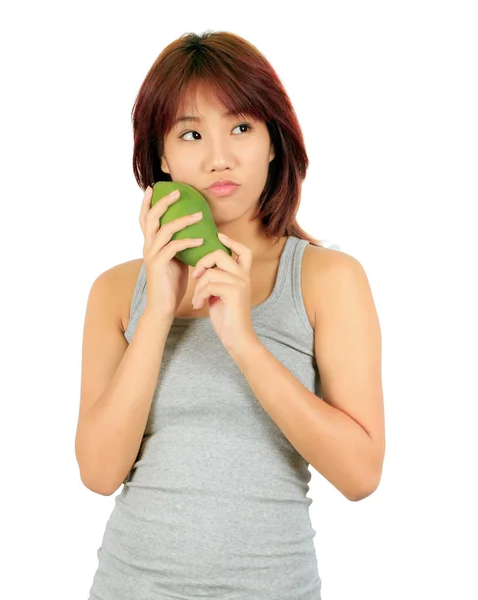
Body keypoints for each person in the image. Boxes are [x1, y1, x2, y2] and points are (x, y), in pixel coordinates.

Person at [76, 30, 385, 600]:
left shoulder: (326, 280)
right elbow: (98, 473)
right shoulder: (117, 292)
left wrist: (243, 339)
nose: (220, 157)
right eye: (191, 134)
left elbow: (361, 474)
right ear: (161, 156)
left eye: (242, 127)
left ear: (273, 140)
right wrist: (159, 309)